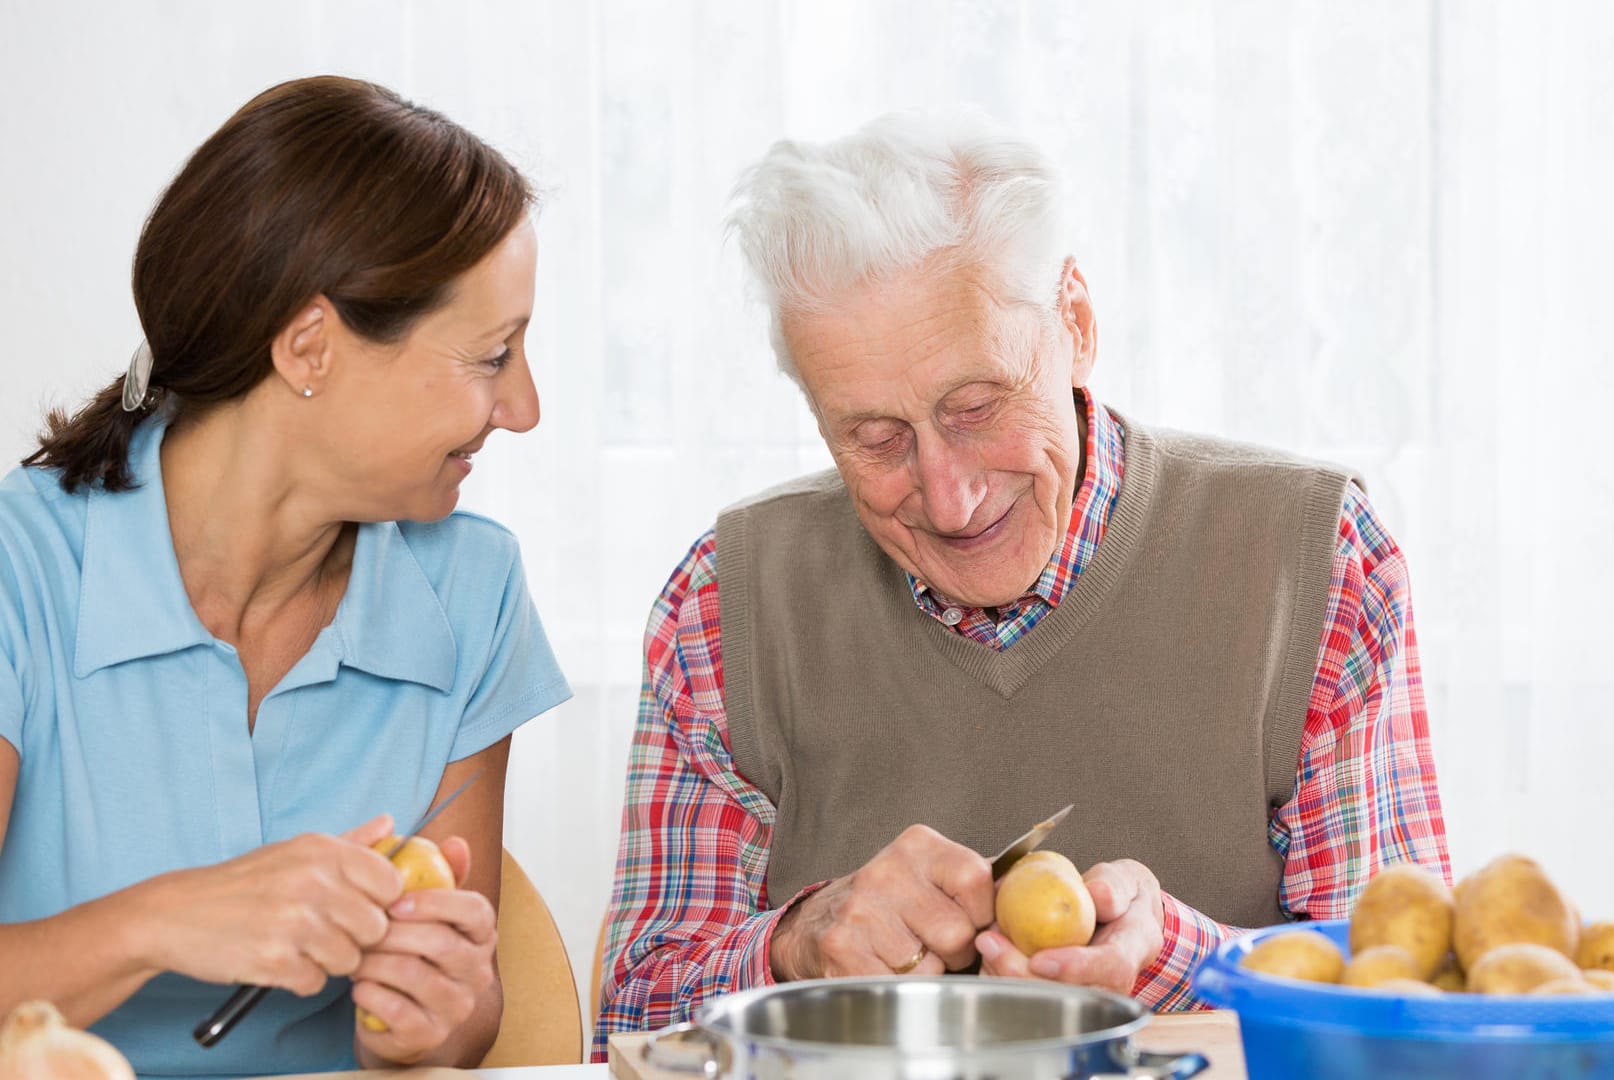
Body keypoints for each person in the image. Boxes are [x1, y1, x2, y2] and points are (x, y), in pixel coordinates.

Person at [594, 113, 1448, 1052]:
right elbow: (632, 1025)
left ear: (1074, 322)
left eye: (977, 405)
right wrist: (796, 946)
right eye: (874, 439)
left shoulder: (1317, 563)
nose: (951, 500)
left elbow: (1401, 1016)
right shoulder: (723, 604)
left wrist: (1176, 961)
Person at [0, 76, 571, 1078]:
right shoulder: (21, 570)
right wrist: (164, 921)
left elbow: (456, 1024)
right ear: (311, 347)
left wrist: (442, 1012)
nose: (523, 407)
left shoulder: (471, 591)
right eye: (492, 355)